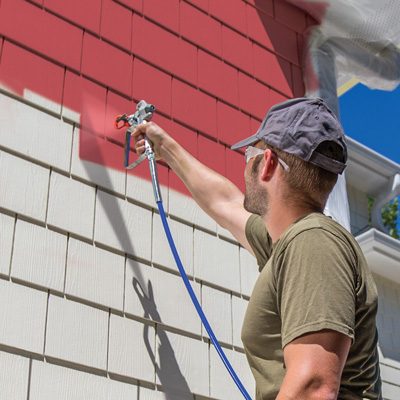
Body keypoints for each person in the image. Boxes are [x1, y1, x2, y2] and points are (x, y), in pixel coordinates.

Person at [133, 97, 382, 400]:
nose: (245, 162)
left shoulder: (313, 243)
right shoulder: (291, 243)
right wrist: (166, 148)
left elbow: (313, 386)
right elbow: (224, 203)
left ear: (268, 164)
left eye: (251, 153)